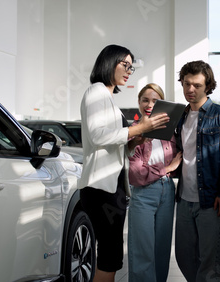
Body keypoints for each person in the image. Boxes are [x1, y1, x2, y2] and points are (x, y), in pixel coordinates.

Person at [78, 44, 169, 282]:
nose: (129, 71)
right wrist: (140, 128)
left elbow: (112, 147)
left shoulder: (107, 97)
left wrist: (134, 139)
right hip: (100, 189)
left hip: (111, 188)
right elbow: (98, 135)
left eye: (132, 67)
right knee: (109, 257)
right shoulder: (97, 91)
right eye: (125, 65)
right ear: (109, 62)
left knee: (112, 257)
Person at [174, 60, 220, 282]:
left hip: (211, 200)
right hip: (184, 199)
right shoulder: (180, 117)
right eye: (186, 84)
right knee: (184, 256)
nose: (190, 90)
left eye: (197, 85)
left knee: (209, 262)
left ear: (207, 86)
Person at [127, 83, 183, 282]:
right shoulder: (133, 132)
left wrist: (164, 171)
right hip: (143, 194)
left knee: (161, 250)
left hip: (167, 191)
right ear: (139, 103)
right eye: (145, 100)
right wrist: (166, 169)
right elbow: (136, 174)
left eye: (155, 100)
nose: (150, 104)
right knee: (142, 252)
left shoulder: (170, 133)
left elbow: (178, 159)